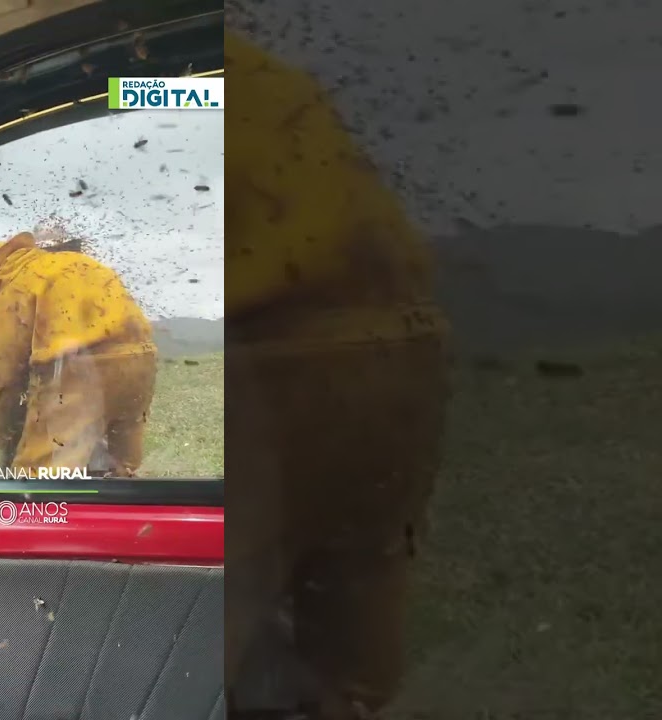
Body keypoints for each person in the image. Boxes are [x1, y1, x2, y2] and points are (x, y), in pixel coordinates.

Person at [223, 30, 452, 720]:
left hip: (278, 359)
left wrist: (89, 83)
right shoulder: (270, 74)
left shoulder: (167, 76)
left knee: (216, 610)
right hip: (405, 350)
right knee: (360, 580)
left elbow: (113, 104)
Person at [0, 232, 157, 477]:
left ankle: (44, 513)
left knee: (41, 476)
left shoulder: (13, 287)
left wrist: (8, 440)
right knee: (120, 468)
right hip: (140, 358)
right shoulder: (73, 262)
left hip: (80, 369)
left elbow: (4, 378)